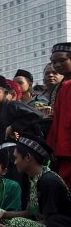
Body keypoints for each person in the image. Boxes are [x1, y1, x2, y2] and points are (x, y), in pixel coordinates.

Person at [47, 42, 71, 188]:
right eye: (54, 61)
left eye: (62, 60)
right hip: (63, 148)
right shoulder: (61, 87)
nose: (57, 64)